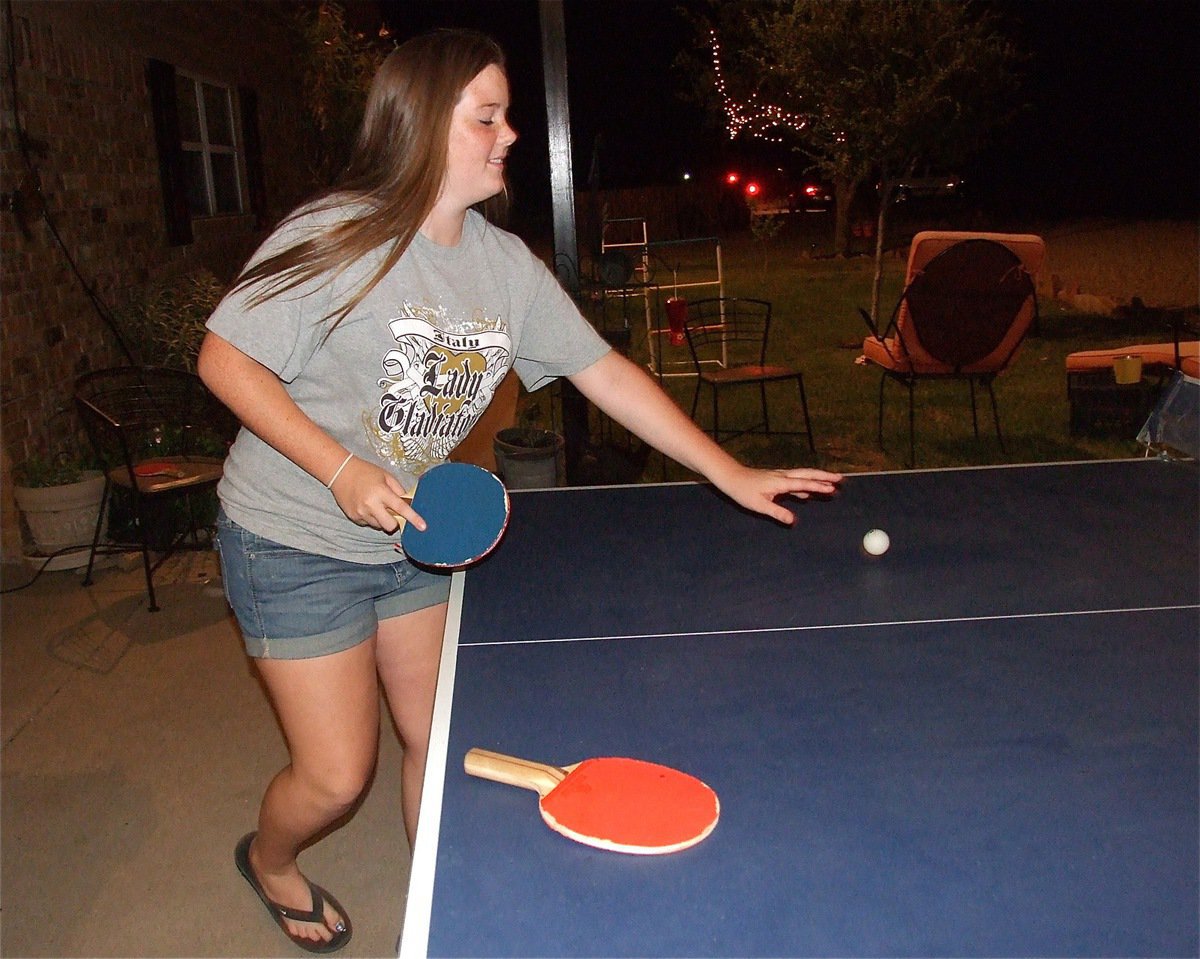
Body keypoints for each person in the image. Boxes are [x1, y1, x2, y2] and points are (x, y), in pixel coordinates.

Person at [198, 28, 842, 954]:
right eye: (488, 117)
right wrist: (339, 469)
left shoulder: (503, 267)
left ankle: (437, 902)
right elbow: (224, 358)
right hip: (291, 539)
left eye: (507, 117)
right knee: (339, 776)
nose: (508, 136)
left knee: (435, 738)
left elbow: (603, 371)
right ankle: (269, 859)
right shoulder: (338, 237)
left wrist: (726, 468)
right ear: (423, 122)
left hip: (412, 536)